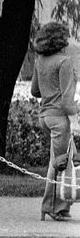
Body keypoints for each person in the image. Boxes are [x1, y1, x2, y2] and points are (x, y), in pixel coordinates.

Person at [30, 21, 78, 221]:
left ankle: (60, 206)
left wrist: (49, 91)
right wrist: (75, 118)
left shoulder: (40, 60)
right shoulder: (64, 62)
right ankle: (53, 208)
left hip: (45, 117)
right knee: (60, 163)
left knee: (58, 161)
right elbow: (67, 101)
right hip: (60, 119)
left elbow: (35, 91)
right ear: (60, 39)